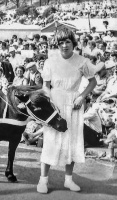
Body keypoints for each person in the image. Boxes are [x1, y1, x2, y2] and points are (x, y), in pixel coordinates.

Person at [38, 29, 97, 193]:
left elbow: (93, 82)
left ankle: (68, 180)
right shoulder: (50, 61)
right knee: (50, 141)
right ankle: (43, 181)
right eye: (61, 43)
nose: (64, 46)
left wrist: (82, 96)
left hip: (74, 104)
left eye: (67, 42)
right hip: (54, 104)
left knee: (72, 142)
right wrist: (50, 101)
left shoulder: (82, 61)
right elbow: (45, 86)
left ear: (73, 43)